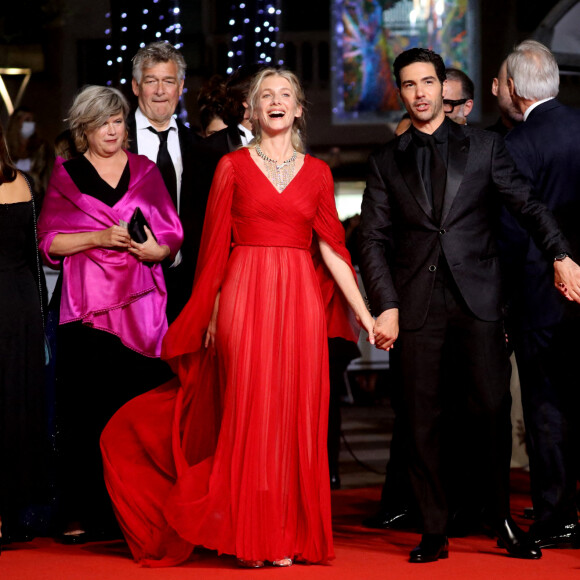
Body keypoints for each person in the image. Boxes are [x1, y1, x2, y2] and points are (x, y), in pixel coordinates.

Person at [100, 68, 375, 568]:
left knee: (293, 417)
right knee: (249, 414)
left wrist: (367, 314)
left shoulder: (318, 172)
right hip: (244, 296)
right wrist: (209, 313)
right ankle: (252, 534)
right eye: (265, 95)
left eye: (285, 95)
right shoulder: (232, 165)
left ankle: (286, 532)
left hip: (299, 302)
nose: (275, 102)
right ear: (250, 109)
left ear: (297, 109)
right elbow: (214, 251)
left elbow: (335, 252)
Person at [358, 47, 580, 563]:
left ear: (442, 87)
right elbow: (371, 240)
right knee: (421, 418)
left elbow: (528, 206)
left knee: (490, 413)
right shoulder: (385, 161)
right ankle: (433, 527)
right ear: (402, 92)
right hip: (415, 307)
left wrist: (561, 254)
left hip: (479, 302)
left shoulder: (484, 147)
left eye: (428, 82)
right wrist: (384, 304)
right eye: (409, 84)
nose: (420, 93)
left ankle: (498, 516)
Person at [37, 85, 183, 544]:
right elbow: (48, 242)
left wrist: (153, 249)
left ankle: (136, 515)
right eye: (103, 124)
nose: (113, 131)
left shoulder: (145, 170)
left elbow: (172, 234)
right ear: (84, 129)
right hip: (85, 313)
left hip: (140, 309)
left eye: (118, 122)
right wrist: (97, 240)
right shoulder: (67, 175)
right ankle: (81, 510)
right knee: (83, 415)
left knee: (136, 413)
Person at [501, 40, 580, 549]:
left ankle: (557, 517)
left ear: (512, 88)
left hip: (538, 295)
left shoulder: (515, 145)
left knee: (547, 408)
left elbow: (510, 231)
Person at [0, 120, 50, 548]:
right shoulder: (22, 182)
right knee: (17, 404)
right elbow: (34, 259)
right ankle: (15, 514)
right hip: (20, 306)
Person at [127, 41, 202, 322]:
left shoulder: (199, 147)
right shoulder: (114, 141)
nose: (160, 91)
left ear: (180, 87)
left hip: (185, 285)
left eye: (168, 81)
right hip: (126, 282)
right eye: (151, 81)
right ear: (136, 86)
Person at [488, 59, 523, 136]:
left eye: (527, 86)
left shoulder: (551, 137)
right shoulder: (482, 143)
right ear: (495, 87)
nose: (520, 93)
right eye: (510, 85)